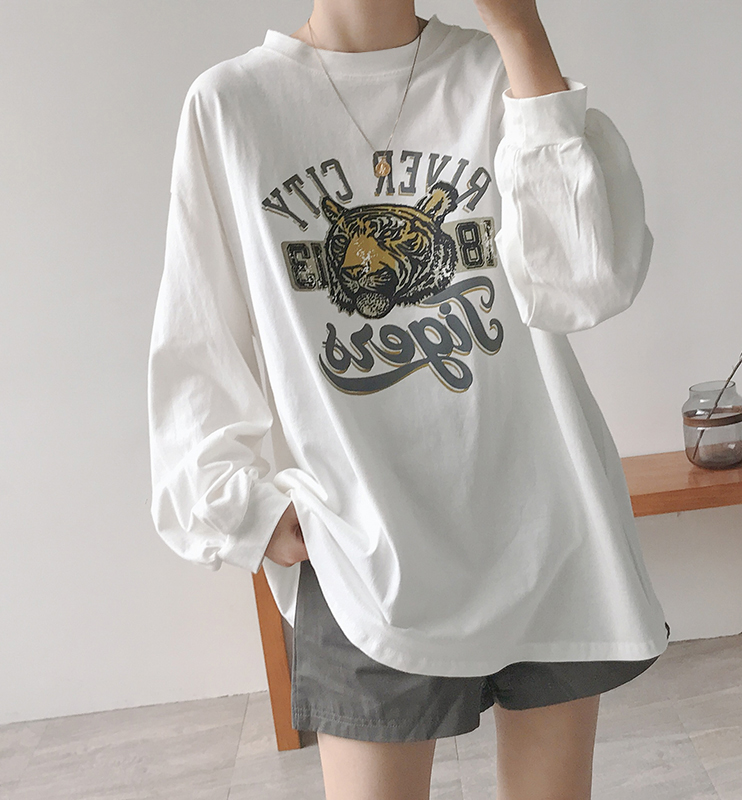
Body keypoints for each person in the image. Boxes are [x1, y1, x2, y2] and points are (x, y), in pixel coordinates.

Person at [147, 1, 670, 798]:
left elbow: (583, 285)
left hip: (542, 524)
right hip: (361, 542)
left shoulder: (497, 71)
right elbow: (197, 330)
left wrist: (521, 30)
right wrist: (237, 505)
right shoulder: (231, 105)